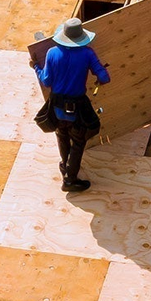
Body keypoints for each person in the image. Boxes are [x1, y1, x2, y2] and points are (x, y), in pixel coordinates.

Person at [35, 18, 111, 192]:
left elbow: (46, 81)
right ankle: (70, 180)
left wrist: (36, 68)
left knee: (62, 134)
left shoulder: (51, 53)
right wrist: (100, 77)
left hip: (56, 105)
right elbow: (105, 78)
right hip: (77, 106)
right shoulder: (87, 54)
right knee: (78, 140)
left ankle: (65, 165)